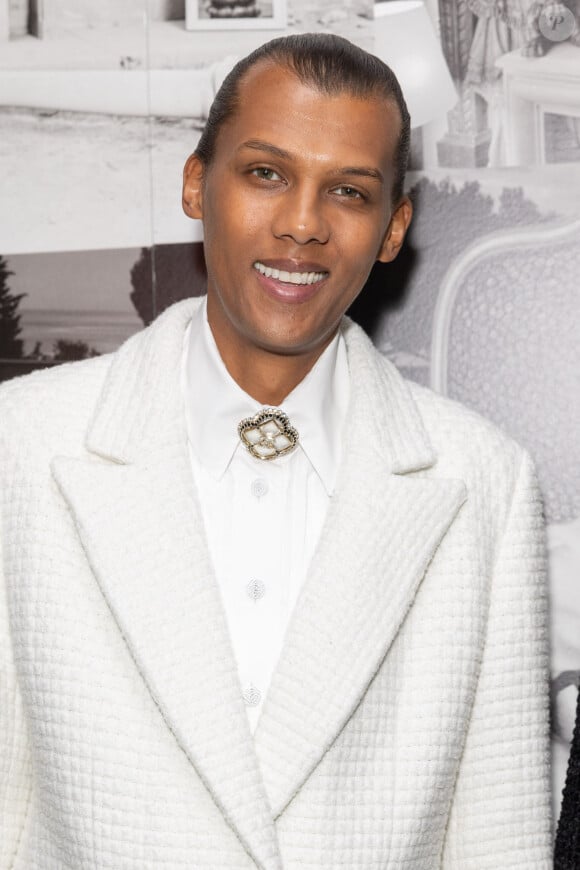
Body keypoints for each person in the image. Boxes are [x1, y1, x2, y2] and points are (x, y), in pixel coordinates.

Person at [0, 33, 552, 869]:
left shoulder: (486, 485)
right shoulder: (24, 445)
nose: (302, 224)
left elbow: (499, 840)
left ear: (394, 228)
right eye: (266, 173)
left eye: (349, 191)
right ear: (196, 184)